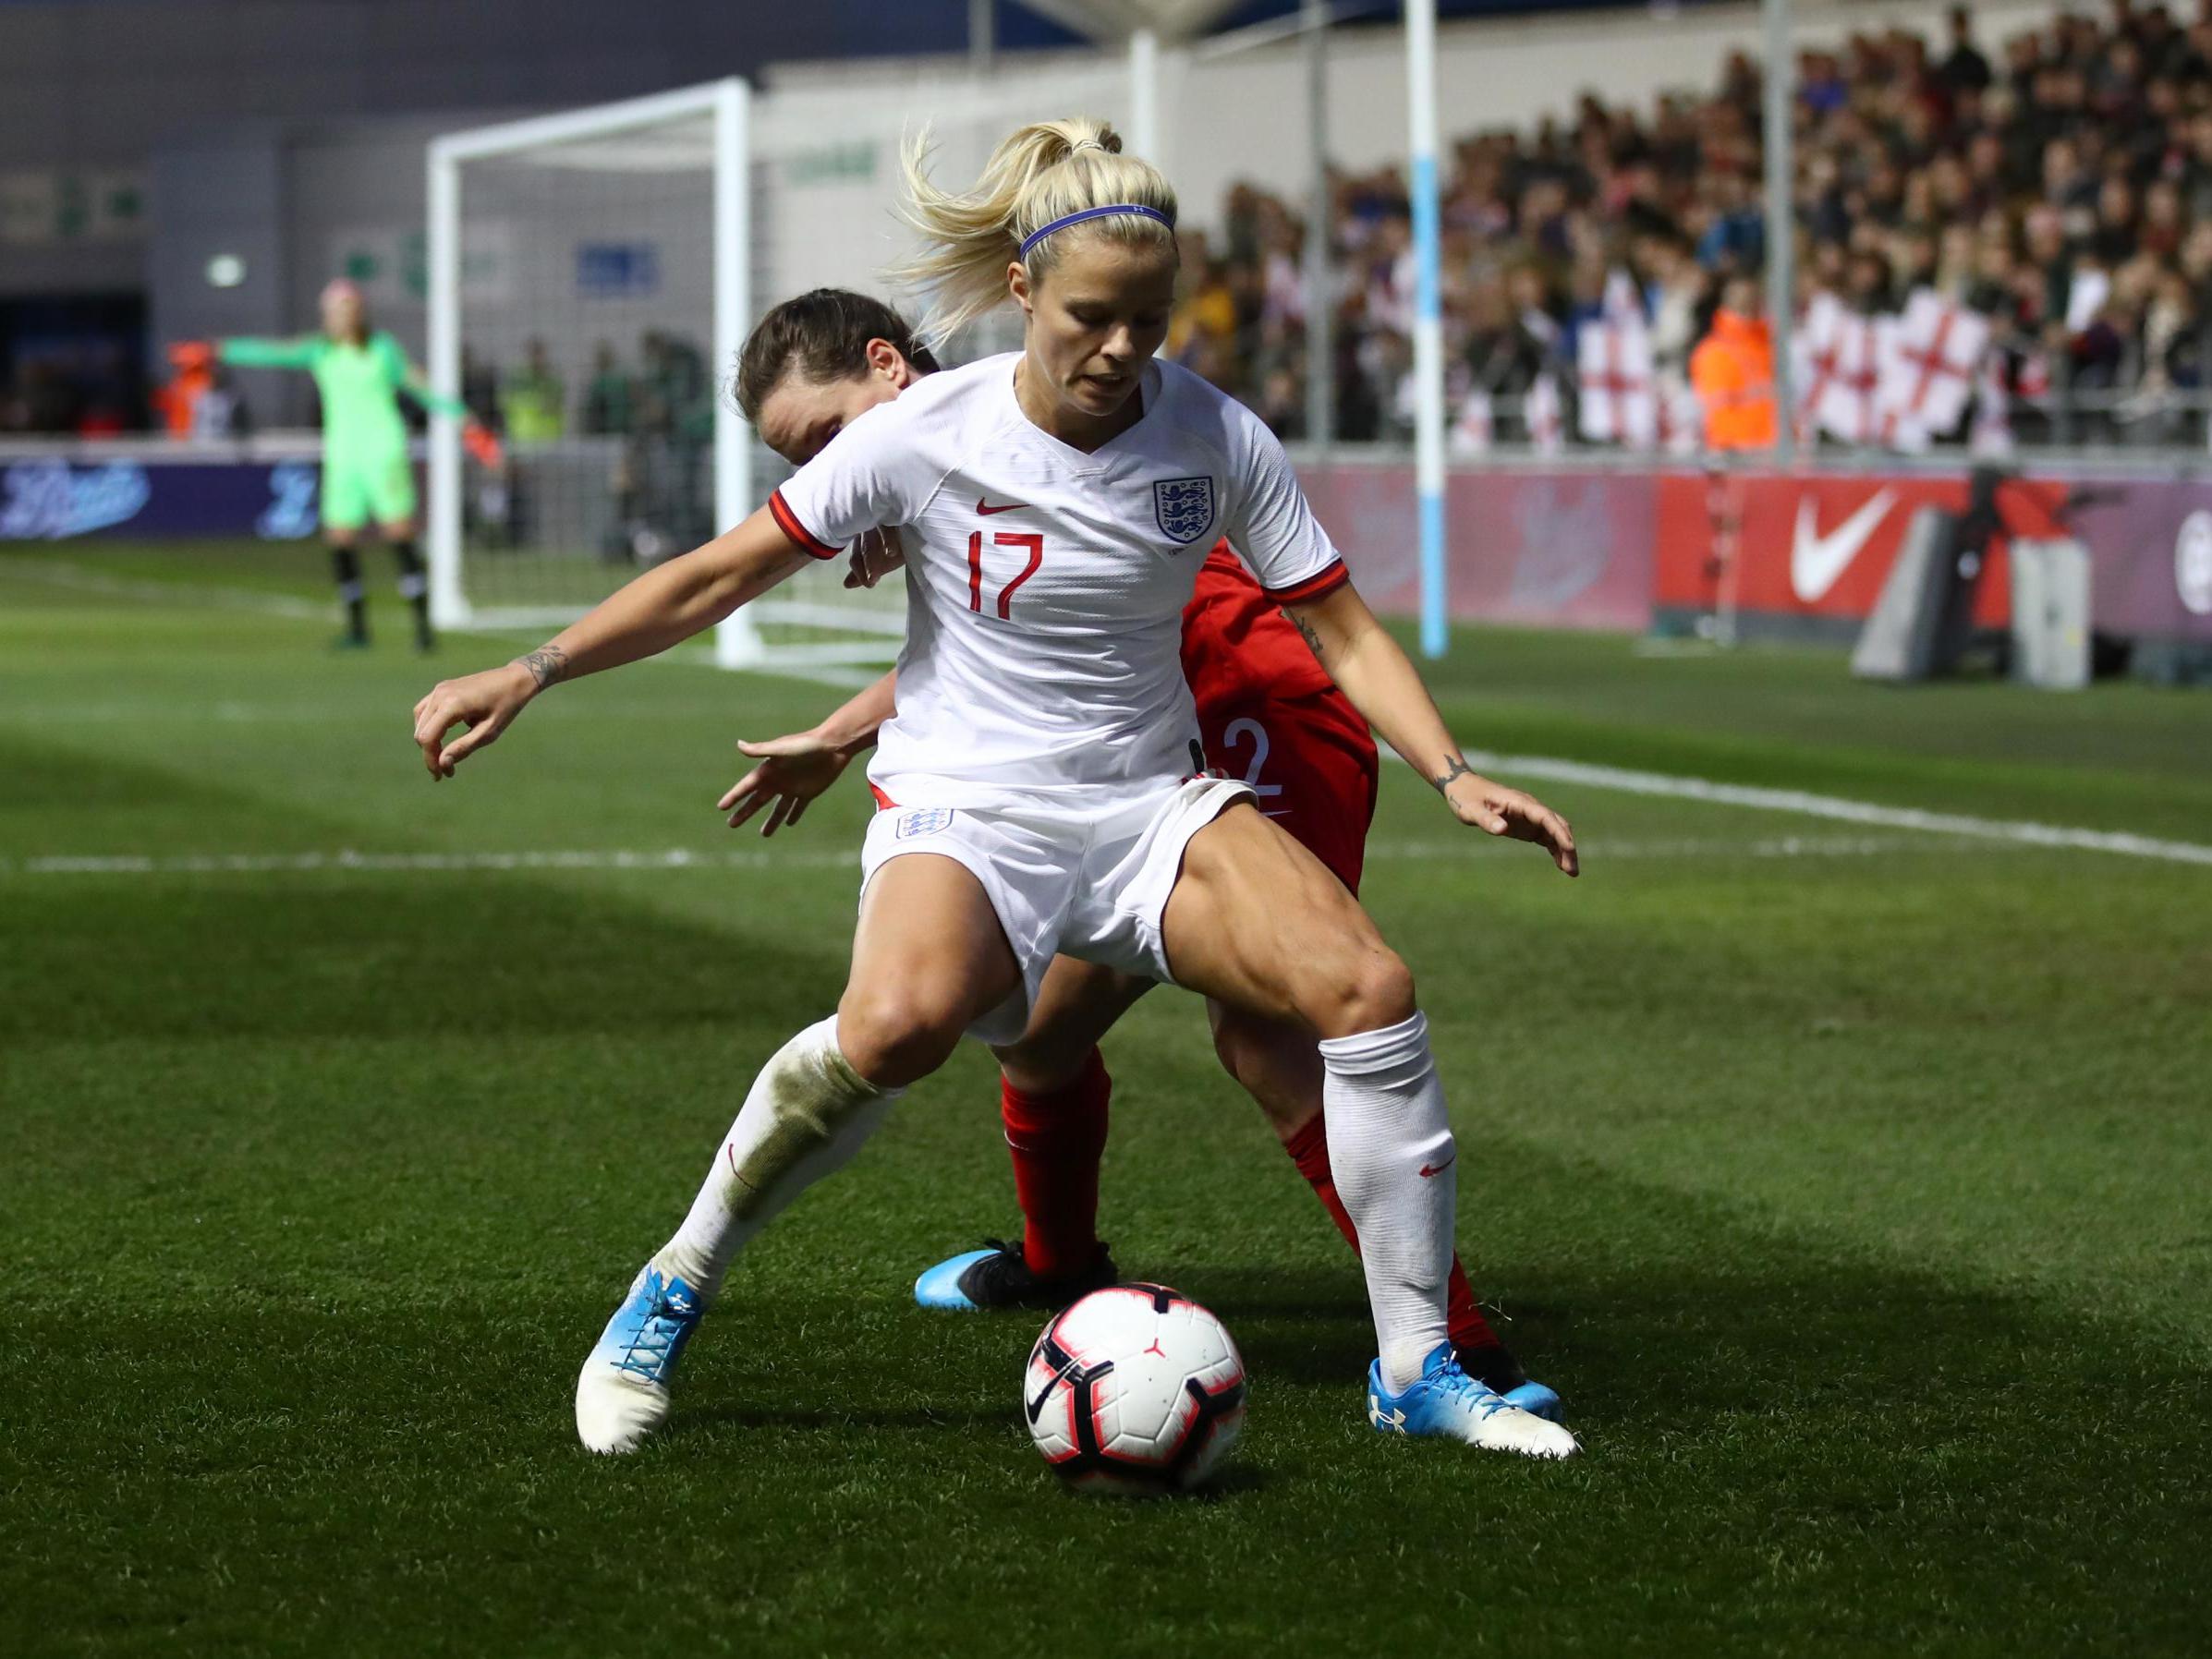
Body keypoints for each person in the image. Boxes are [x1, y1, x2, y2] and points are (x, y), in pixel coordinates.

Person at [410, 118, 1582, 1463]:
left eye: (1152, 318)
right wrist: (533, 666)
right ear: (1023, 296)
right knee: (899, 1027)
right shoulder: (923, 433)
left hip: (1150, 806)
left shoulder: (1213, 436)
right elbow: (715, 575)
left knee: (1364, 993)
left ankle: (1420, 1367)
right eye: (1094, 317)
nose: (1124, 350)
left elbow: (1344, 625)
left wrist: (1452, 770)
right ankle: (667, 1287)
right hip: (969, 808)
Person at [722, 285, 1558, 1418]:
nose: (819, 466)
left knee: (1270, 1033)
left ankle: (1447, 1342)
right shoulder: (926, 444)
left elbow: (1082, 611)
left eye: (823, 437)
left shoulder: (1010, 411)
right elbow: (1005, 654)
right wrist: (841, 729)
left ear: (888, 369)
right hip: (1133, 735)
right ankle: (1061, 1262)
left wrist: (1450, 774)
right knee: (1038, 1024)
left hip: (1250, 692)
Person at [186, 280, 498, 651]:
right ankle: (358, 630)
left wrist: (465, 420)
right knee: (340, 539)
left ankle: (422, 630)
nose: (336, 317)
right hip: (343, 459)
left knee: (399, 535)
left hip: (383, 454)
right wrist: (220, 351)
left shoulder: (382, 350)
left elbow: (421, 386)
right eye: (331, 311)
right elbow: (273, 353)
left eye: (343, 309)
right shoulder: (321, 352)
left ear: (357, 312)